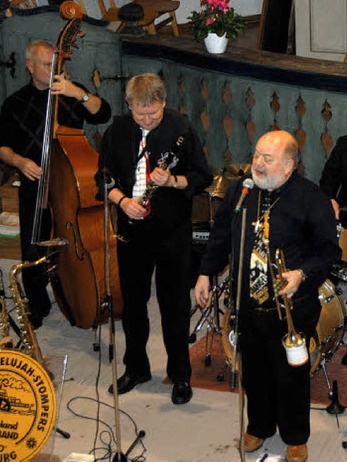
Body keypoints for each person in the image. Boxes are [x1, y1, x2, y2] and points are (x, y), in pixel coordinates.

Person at [194, 130, 340, 462]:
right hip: (247, 303)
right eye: (256, 155)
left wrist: (301, 274)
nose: (257, 164)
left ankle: (295, 436)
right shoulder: (242, 191)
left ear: (289, 165)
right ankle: (259, 426)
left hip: (292, 307)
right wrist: (205, 271)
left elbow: (328, 252)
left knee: (291, 375)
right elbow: (220, 236)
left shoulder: (311, 198)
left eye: (267, 159)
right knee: (255, 370)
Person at [95, 73, 211, 405]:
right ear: (129, 103)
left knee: (174, 305)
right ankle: (136, 367)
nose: (147, 120)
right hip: (132, 229)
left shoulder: (182, 129)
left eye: (153, 114)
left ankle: (180, 374)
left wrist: (173, 180)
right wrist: (122, 201)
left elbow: (203, 175)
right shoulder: (117, 130)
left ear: (163, 102)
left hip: (172, 231)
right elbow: (102, 178)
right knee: (132, 304)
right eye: (140, 113)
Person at [0, 40, 111, 329]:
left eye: (57, 64)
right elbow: (2, 147)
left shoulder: (70, 93)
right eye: (48, 65)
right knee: (32, 245)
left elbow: (103, 112)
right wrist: (20, 162)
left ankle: (81, 298)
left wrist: (79, 93)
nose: (54, 70)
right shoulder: (14, 103)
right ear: (30, 67)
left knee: (74, 246)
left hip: (72, 186)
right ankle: (37, 305)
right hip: (34, 183)